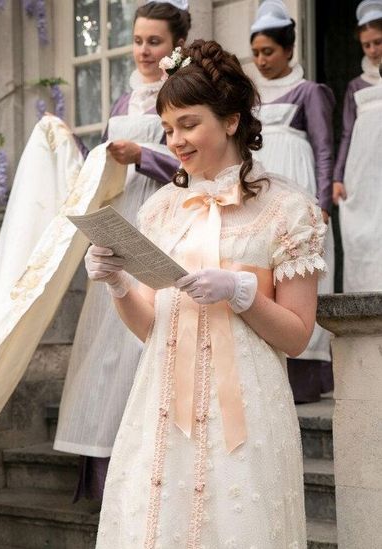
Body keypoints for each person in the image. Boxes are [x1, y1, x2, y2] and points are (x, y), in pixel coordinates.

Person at [89, 40, 323, 546]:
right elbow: (150, 327)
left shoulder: (289, 211)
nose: (175, 141)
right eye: (168, 128)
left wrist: (243, 293)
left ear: (232, 121)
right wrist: (119, 284)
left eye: (188, 124)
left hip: (247, 411)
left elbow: (297, 337)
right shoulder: (159, 211)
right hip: (162, 407)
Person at [54, 0, 187, 502]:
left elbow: (191, 167)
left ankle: (151, 466)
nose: (144, 50)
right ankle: (104, 467)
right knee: (106, 341)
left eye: (155, 41)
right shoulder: (123, 100)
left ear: (175, 45)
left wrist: (143, 156)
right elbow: (104, 165)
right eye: (138, 40)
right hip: (119, 218)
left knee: (146, 333)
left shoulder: (180, 92)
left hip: (162, 217)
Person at [245, 0, 336, 403]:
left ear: (288, 50)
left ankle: (305, 376)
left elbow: (324, 148)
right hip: (263, 192)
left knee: (297, 271)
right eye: (256, 53)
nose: (261, 60)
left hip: (299, 189)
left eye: (269, 51)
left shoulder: (309, 93)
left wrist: (323, 202)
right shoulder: (250, 98)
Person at [334, 0, 382, 292]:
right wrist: (338, 176)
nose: (373, 50)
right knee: (365, 236)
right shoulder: (356, 85)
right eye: (367, 45)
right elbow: (347, 133)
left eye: (378, 42)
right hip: (362, 172)